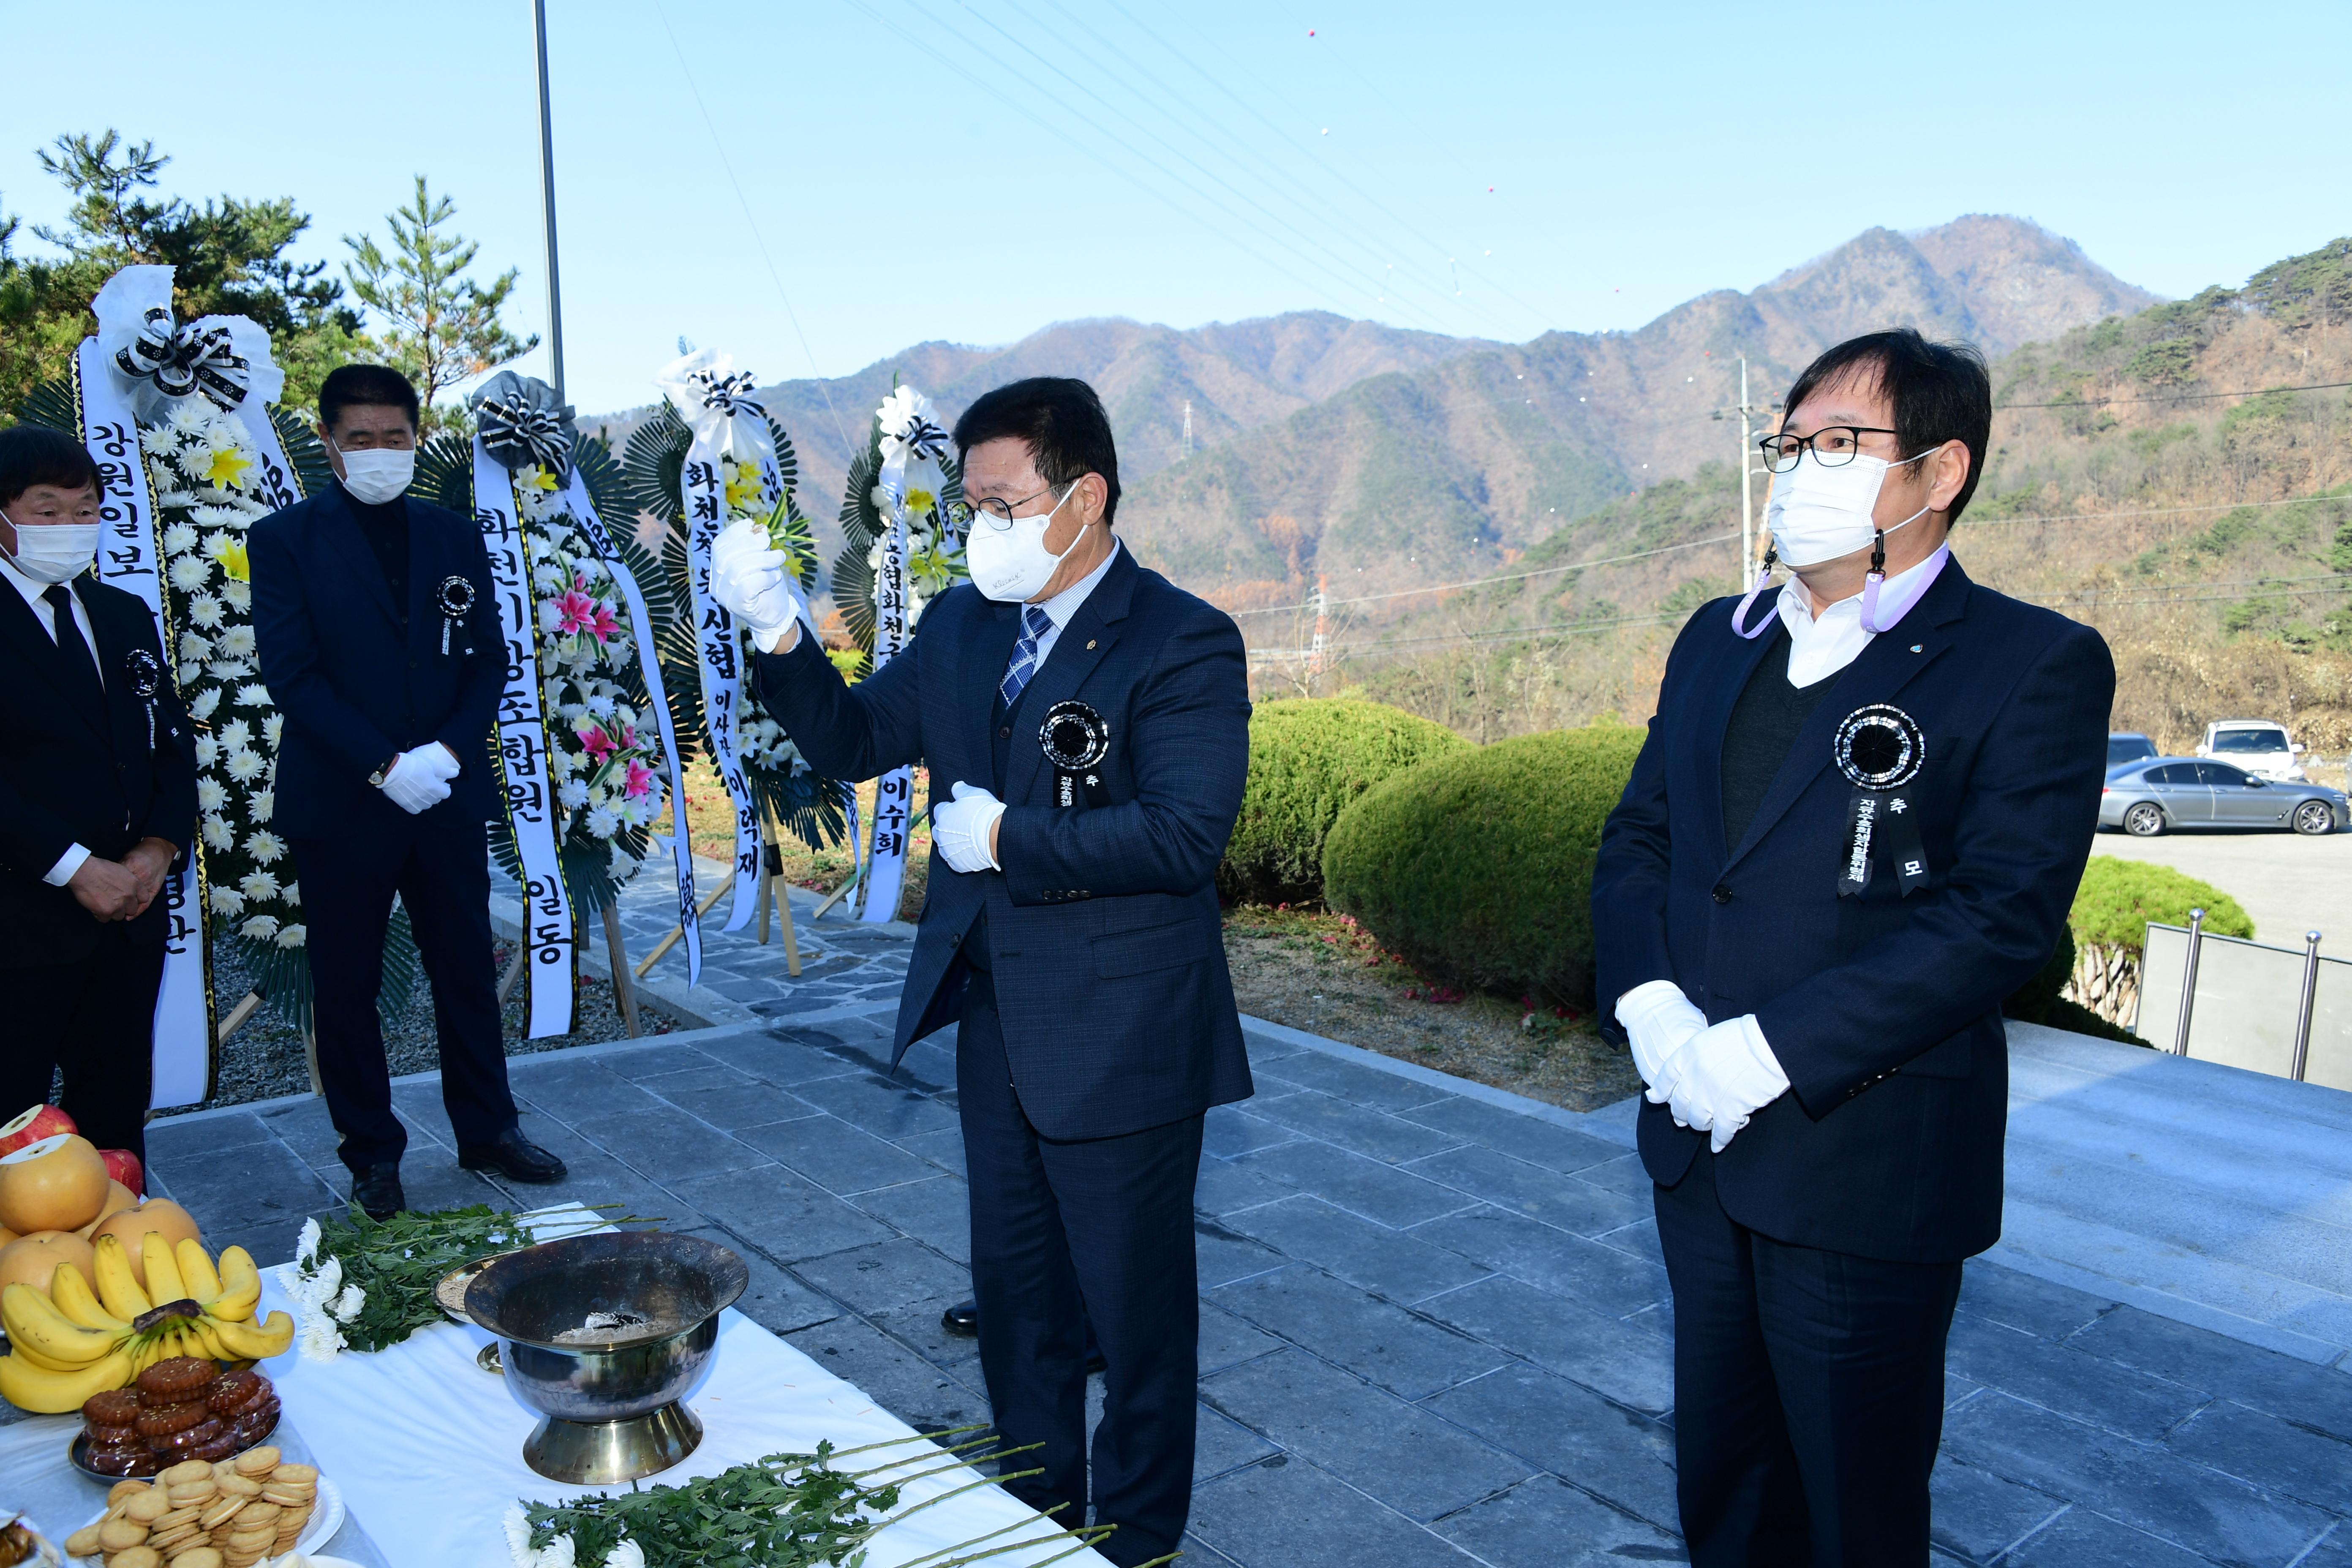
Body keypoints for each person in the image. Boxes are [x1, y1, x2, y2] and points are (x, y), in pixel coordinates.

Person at [1590, 328, 2113, 1567]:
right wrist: (1654, 1009)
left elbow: (2001, 918)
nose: (1798, 472)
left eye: (1840, 445)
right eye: (1789, 446)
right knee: (1724, 1475)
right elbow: (1640, 847)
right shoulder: (1718, 637)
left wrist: (1772, 1052)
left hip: (1866, 1156)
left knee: (1854, 1500)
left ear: (1941, 475)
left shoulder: (2031, 661)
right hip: (1697, 1145)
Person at [708, 377, 1252, 1565]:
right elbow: (856, 739)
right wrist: (778, 630)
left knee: (1135, 1313)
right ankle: (1039, 1512)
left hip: (1125, 1030)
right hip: (1000, 1013)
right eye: (972, 504)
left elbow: (1181, 835)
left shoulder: (1181, 638)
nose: (980, 527)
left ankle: (1138, 1536)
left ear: (1084, 498)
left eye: (1003, 503)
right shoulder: (967, 622)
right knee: (1016, 1298)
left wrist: (1010, 838)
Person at [250, 363, 565, 1219]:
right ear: (328, 443)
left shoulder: (453, 535)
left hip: (445, 796)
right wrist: (387, 764)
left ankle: (489, 1128)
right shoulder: (285, 540)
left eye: (395, 438)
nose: (380, 452)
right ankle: (372, 1153)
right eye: (360, 440)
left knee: (465, 965)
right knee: (348, 984)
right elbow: (294, 675)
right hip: (345, 797)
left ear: (416, 439)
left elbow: (489, 658)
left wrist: (447, 757)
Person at [0, 426, 195, 1164]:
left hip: (131, 915)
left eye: (86, 510)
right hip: (22, 916)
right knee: (12, 1127)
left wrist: (158, 848)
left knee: (115, 1110)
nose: (69, 528)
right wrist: (76, 866)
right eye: (46, 511)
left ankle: (121, 1254)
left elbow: (169, 745)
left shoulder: (120, 613)